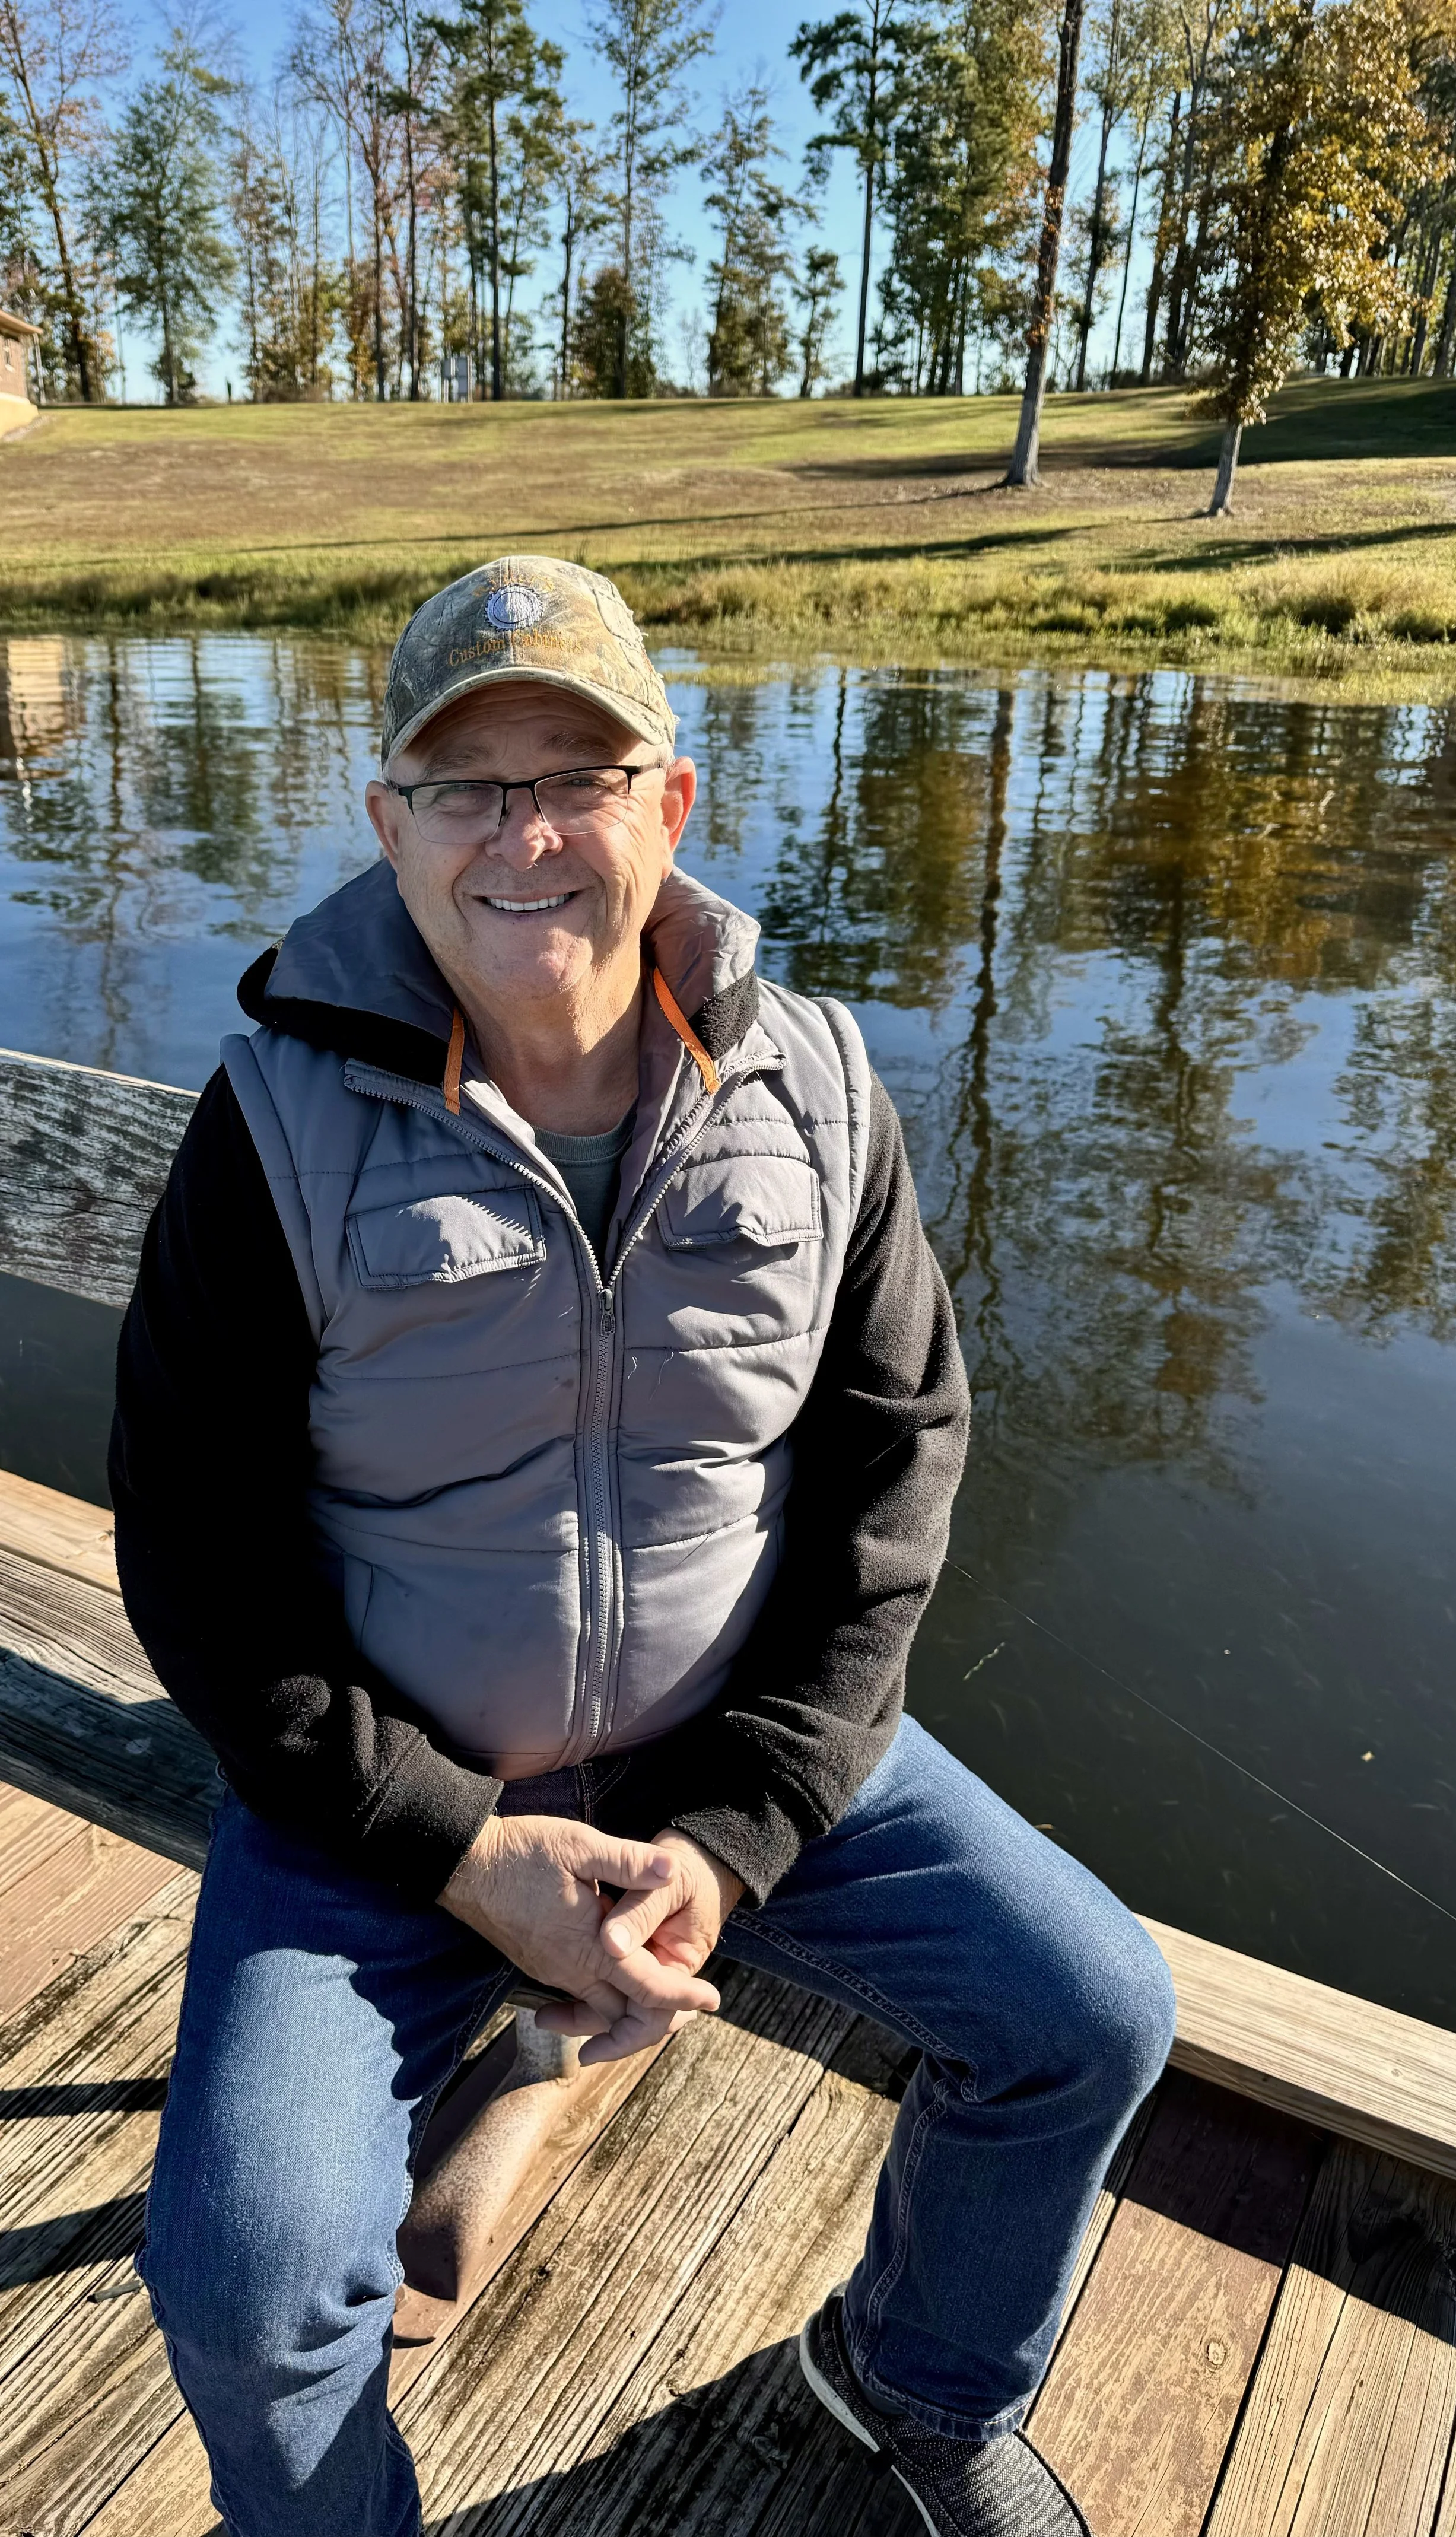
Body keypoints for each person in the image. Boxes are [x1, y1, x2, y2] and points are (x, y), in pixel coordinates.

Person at [112, 555, 1175, 2537]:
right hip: (380, 1812)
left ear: (666, 804)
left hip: (743, 1763)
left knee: (1087, 2012)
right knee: (252, 2288)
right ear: (389, 827)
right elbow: (196, 1553)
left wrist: (735, 1826)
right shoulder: (271, 1122)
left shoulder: (821, 1085)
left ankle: (911, 2385)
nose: (523, 834)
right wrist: (469, 1848)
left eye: (574, 775)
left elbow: (894, 1463)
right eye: (462, 783)